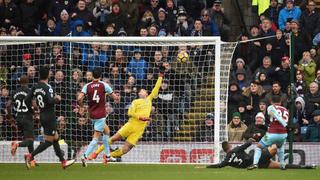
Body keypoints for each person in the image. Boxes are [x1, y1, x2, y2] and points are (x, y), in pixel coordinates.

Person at [88, 65, 166, 160]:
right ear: (139, 94)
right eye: (141, 91)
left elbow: (157, 87)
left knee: (126, 149)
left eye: (144, 90)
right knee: (114, 138)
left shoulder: (149, 100)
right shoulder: (135, 102)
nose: (142, 91)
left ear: (146, 93)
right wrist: (140, 117)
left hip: (139, 130)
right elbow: (130, 112)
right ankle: (96, 153)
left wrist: (161, 76)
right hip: (131, 125)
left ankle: (108, 156)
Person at [24, 66, 75, 169]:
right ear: (48, 75)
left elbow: (26, 100)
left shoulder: (35, 86)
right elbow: (51, 101)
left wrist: (34, 111)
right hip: (50, 116)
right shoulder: (48, 87)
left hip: (42, 115)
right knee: (48, 141)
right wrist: (57, 99)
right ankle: (30, 156)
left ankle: (63, 161)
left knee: (55, 138)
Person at [77, 68, 119, 166]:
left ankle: (108, 155)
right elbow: (114, 97)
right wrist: (117, 97)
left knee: (107, 131)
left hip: (92, 114)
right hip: (101, 115)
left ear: (91, 76)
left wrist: (82, 106)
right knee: (96, 138)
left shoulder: (87, 86)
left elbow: (79, 98)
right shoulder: (104, 85)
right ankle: (85, 156)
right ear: (100, 76)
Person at [205, 139, 315, 169]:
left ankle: (307, 167)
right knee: (277, 144)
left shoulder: (226, 161)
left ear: (224, 151)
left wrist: (207, 166)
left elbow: (219, 165)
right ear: (229, 146)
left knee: (283, 166)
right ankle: (282, 156)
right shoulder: (236, 149)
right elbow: (247, 144)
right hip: (257, 159)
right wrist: (250, 139)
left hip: (257, 165)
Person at [248, 95, 289, 170]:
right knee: (280, 147)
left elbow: (277, 116)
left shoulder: (271, 107)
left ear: (271, 102)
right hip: (283, 134)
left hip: (273, 133)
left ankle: (255, 164)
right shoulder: (285, 109)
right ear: (280, 102)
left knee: (259, 147)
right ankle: (282, 165)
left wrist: (284, 124)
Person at [7, 76, 34, 163]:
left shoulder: (14, 92)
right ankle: (16, 144)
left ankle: (32, 160)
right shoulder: (29, 91)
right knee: (30, 140)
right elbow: (34, 104)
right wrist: (37, 111)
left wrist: (11, 117)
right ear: (27, 82)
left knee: (28, 139)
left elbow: (8, 105)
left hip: (19, 118)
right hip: (27, 118)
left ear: (20, 82)